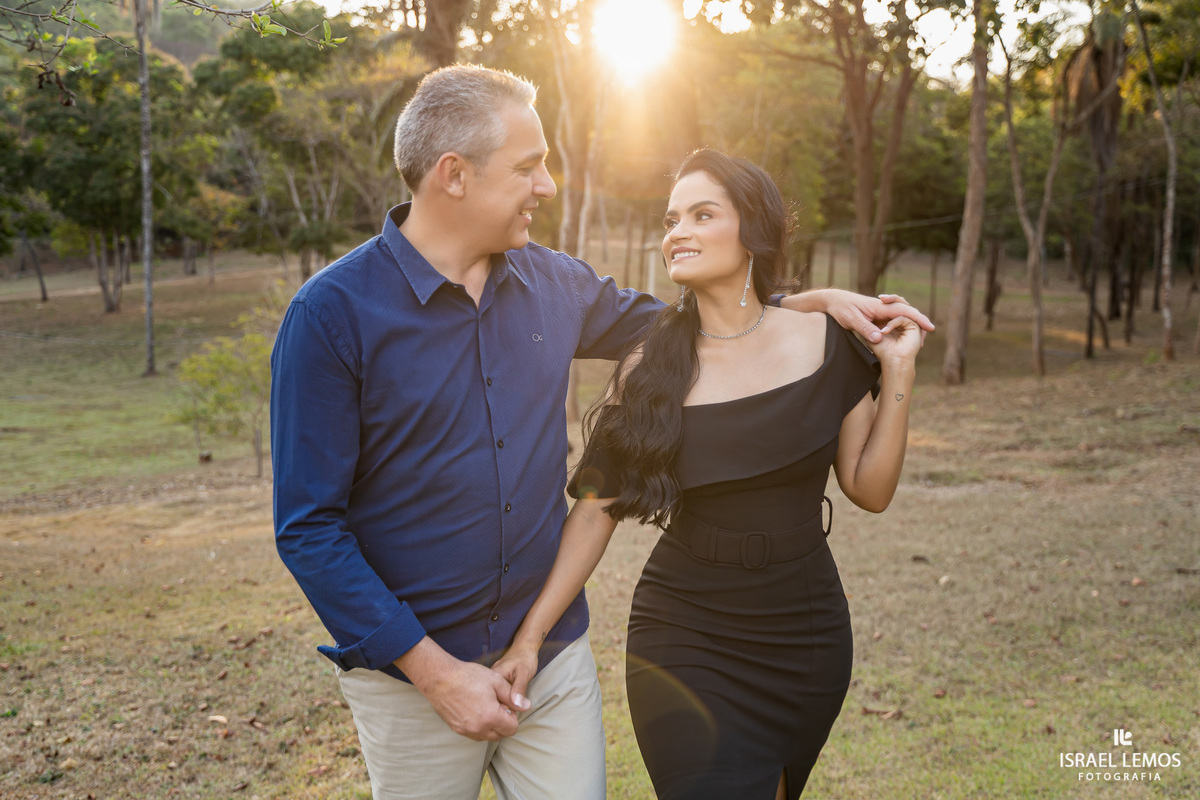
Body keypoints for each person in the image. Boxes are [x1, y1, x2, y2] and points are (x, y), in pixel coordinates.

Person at [271, 65, 931, 800]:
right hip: (414, 681)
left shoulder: (560, 286)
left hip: (551, 663)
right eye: (530, 166)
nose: (548, 185)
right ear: (454, 175)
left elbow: (708, 325)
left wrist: (809, 303)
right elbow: (309, 531)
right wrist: (433, 672)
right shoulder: (331, 316)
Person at [491, 149, 923, 799]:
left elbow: (870, 488)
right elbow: (593, 510)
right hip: (685, 634)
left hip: (804, 631)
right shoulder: (653, 363)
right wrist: (530, 637)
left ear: (752, 231)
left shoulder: (828, 341)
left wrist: (899, 374)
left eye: (701, 214)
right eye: (671, 219)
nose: (677, 232)